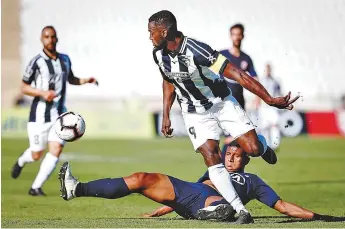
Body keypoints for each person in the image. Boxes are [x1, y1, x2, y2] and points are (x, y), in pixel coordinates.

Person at [148, 10, 299, 223]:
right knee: (212, 157)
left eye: (151, 32)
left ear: (164, 32)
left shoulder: (197, 50)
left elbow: (237, 74)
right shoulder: (158, 54)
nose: (149, 37)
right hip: (194, 113)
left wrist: (268, 99)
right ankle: (241, 211)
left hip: (222, 103)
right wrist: (166, 114)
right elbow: (168, 81)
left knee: (252, 149)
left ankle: (263, 146)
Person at [58, 140, 333, 223]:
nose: (230, 158)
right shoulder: (213, 170)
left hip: (215, 199)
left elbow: (282, 206)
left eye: (237, 156)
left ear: (247, 160)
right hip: (193, 193)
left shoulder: (253, 181)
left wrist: (320, 217)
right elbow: (192, 191)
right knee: (141, 178)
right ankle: (76, 189)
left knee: (218, 202)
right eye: (228, 154)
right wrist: (164, 208)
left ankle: (218, 212)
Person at [10, 25, 98, 196]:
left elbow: (71, 79)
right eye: (47, 37)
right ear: (42, 39)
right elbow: (23, 87)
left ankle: (35, 187)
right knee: (36, 154)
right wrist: (42, 92)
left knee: (56, 149)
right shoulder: (37, 62)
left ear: (56, 39)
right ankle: (22, 160)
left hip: (60, 117)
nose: (50, 40)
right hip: (39, 115)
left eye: (53, 37)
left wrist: (87, 80)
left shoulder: (65, 59)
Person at [219, 23, 258, 152]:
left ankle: (231, 167)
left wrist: (258, 97)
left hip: (240, 102)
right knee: (230, 138)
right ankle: (225, 166)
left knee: (240, 137)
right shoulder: (222, 55)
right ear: (230, 36)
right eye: (234, 34)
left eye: (239, 34)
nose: (236, 37)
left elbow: (254, 78)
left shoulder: (246, 58)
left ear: (242, 36)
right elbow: (210, 73)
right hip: (224, 102)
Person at [256, 63, 282, 150]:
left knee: (275, 124)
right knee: (264, 127)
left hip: (272, 107)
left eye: (269, 69)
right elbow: (258, 93)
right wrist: (257, 103)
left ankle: (275, 144)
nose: (268, 71)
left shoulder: (275, 81)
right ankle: (266, 144)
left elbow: (279, 93)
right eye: (267, 69)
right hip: (263, 107)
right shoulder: (261, 81)